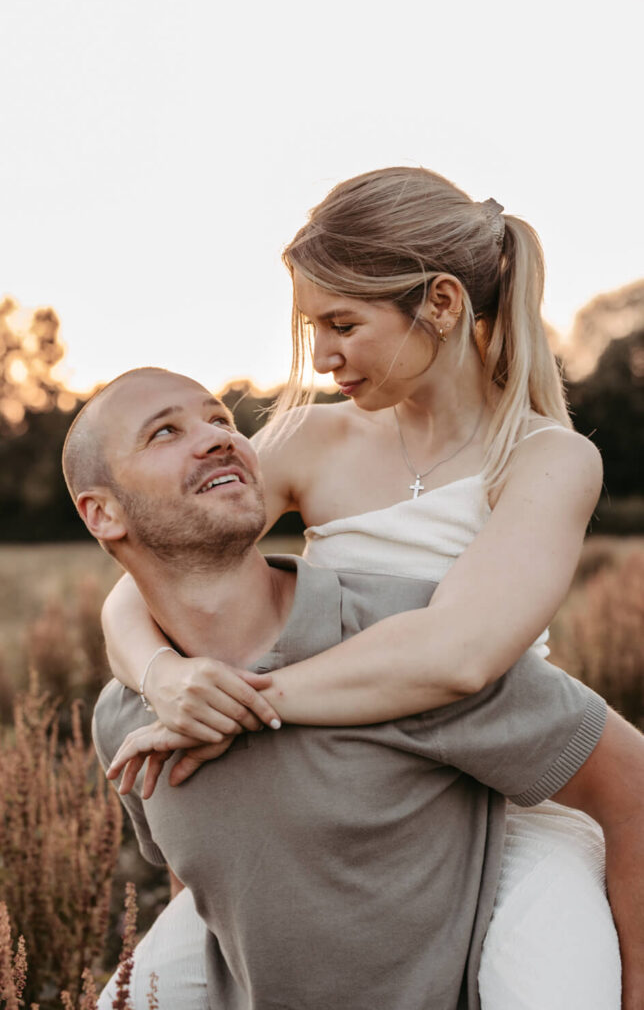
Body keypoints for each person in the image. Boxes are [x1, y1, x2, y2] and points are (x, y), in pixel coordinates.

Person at [101, 168, 629, 1004]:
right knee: (141, 993)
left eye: (343, 323)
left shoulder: (546, 459)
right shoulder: (311, 438)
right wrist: (168, 680)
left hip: (500, 798)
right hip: (337, 793)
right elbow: (149, 580)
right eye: (314, 327)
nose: (323, 355)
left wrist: (243, 702)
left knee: (552, 988)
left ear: (444, 303)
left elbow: (458, 655)